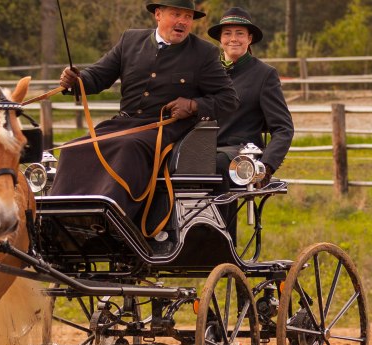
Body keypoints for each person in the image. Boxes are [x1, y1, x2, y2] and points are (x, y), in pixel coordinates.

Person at [50, 0, 239, 222]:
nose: (182, 21)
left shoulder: (204, 53)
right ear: (158, 15)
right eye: (176, 14)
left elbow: (229, 100)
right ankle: (60, 218)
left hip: (166, 130)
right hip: (123, 123)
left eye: (187, 17)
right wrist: (75, 80)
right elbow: (97, 76)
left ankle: (111, 220)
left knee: (128, 146)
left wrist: (192, 106)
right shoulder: (130, 40)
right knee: (74, 148)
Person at [208, 7, 294, 189]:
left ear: (249, 38)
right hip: (203, 148)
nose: (233, 39)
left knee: (218, 164)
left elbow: (283, 128)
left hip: (240, 153)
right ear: (220, 39)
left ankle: (220, 219)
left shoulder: (264, 75)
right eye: (227, 33)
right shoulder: (208, 71)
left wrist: (267, 165)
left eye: (240, 33)